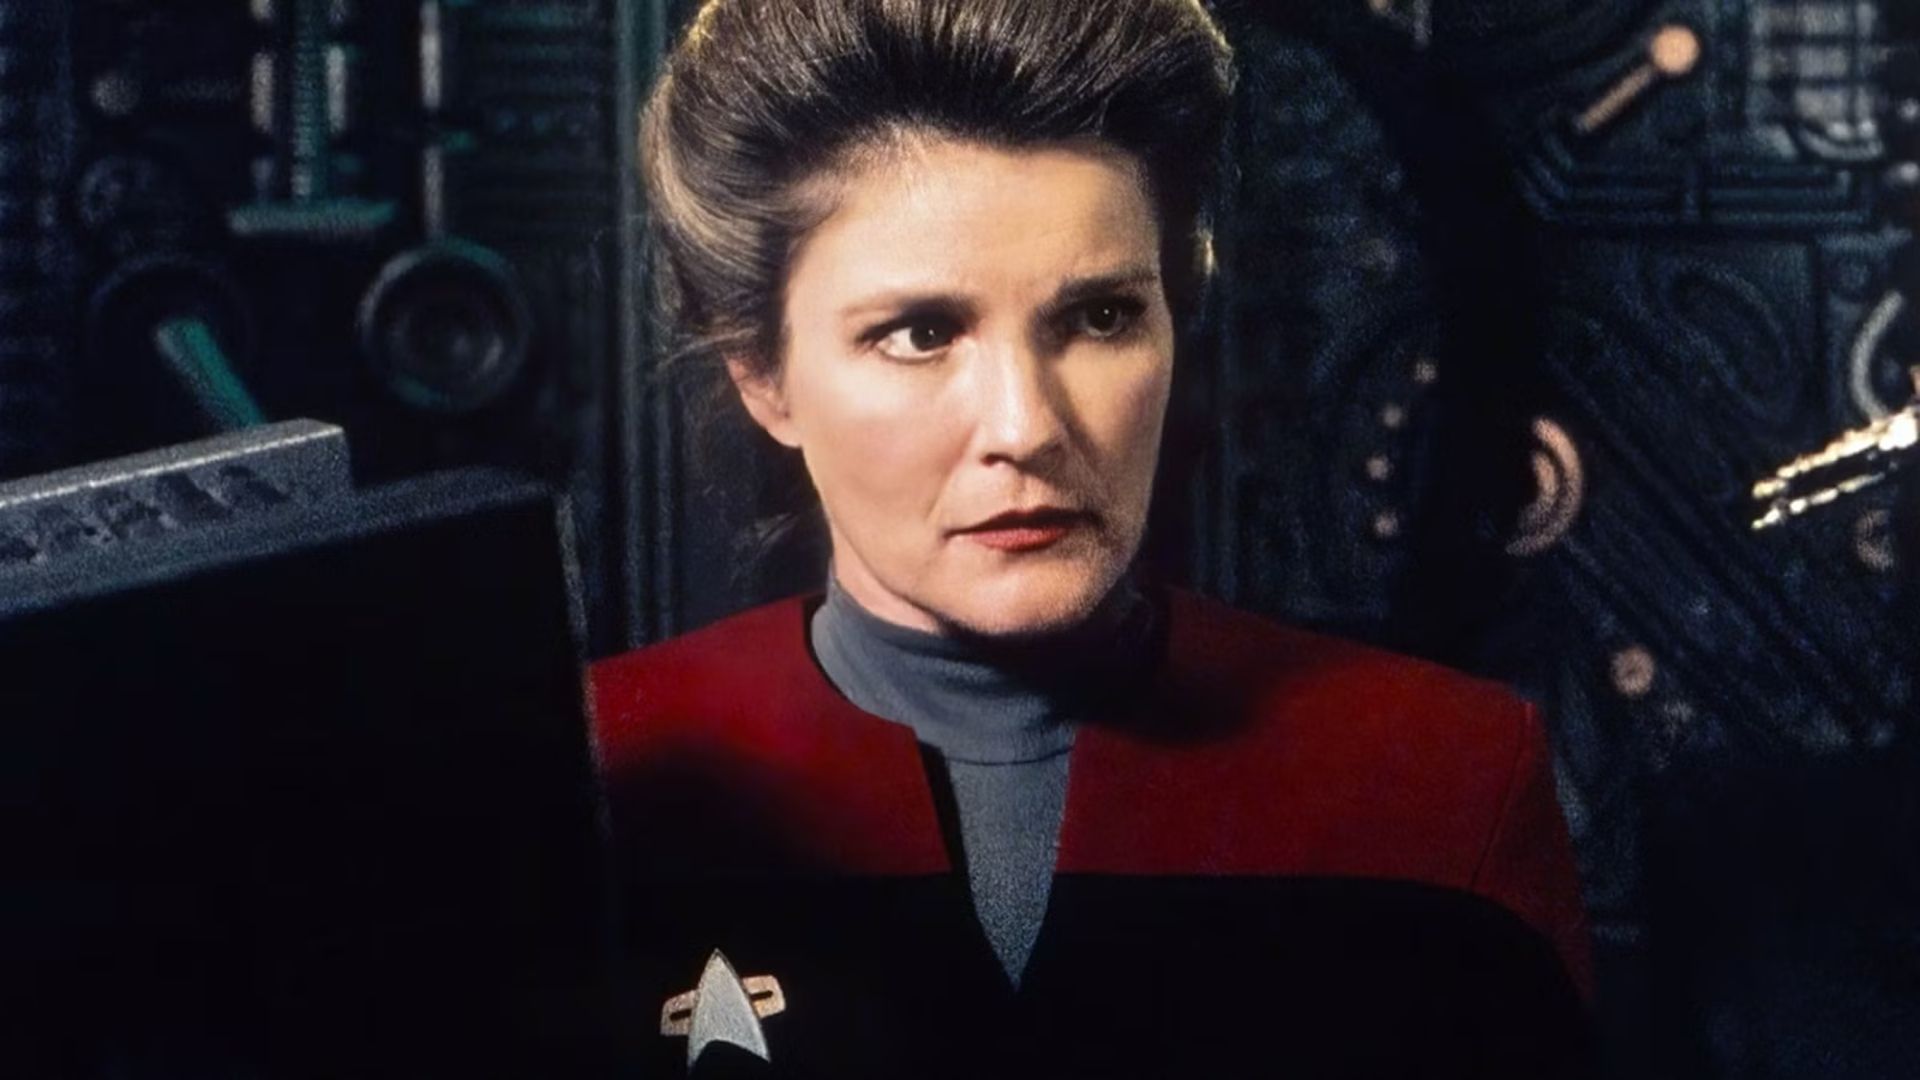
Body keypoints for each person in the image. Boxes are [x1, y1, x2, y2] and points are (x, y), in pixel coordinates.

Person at [591, 1, 1593, 1076]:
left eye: (1100, 318)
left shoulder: (1440, 786)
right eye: (921, 333)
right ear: (765, 378)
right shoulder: (585, 783)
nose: (1026, 427)